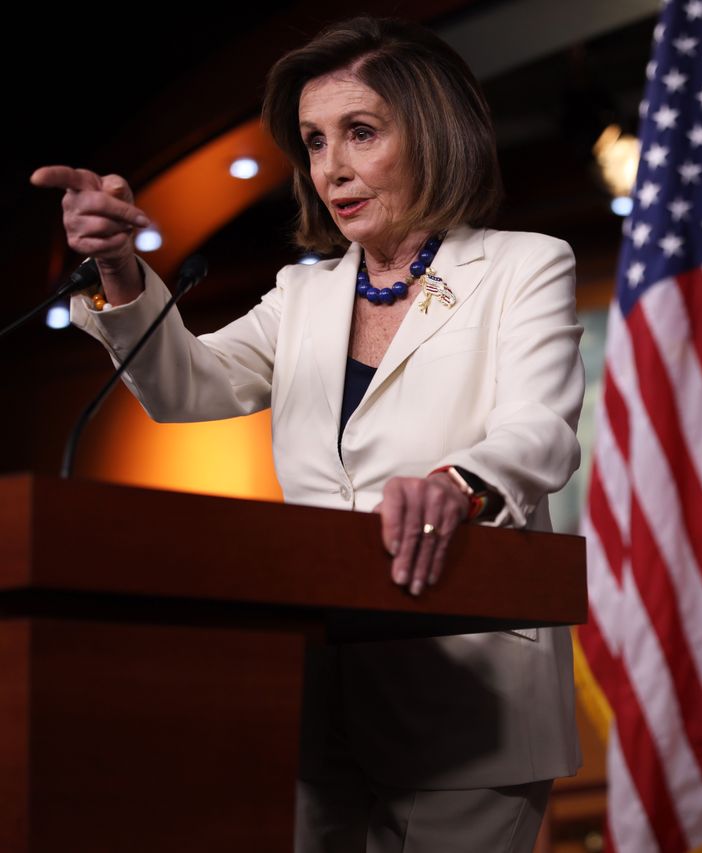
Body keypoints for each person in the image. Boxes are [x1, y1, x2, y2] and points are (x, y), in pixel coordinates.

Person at [31, 16, 584, 853]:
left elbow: (538, 427)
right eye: (315, 141)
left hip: (474, 696)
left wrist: (457, 482)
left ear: (432, 134)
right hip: (321, 704)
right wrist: (118, 269)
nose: (332, 167)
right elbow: (186, 386)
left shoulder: (524, 265)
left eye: (360, 133)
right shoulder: (303, 293)